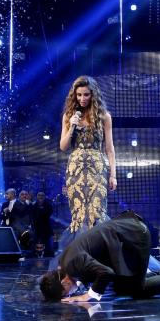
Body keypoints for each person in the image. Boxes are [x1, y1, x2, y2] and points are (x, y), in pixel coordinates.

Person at [39, 211, 160, 302]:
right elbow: (91, 267)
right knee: (122, 289)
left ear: (64, 282)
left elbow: (106, 273)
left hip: (132, 236)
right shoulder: (66, 264)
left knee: (136, 290)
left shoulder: (72, 264)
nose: (70, 295)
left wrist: (88, 295)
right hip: (123, 239)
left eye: (66, 294)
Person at [59, 76, 117, 233]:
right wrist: (72, 126)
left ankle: (99, 251)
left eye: (86, 94)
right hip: (75, 169)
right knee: (78, 213)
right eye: (79, 95)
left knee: (97, 211)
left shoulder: (104, 116)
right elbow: (63, 147)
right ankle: (80, 253)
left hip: (97, 167)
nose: (82, 98)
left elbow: (110, 149)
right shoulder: (68, 116)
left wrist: (113, 175)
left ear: (93, 95)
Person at [32, 191, 54, 257]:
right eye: (39, 195)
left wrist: (40, 209)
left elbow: (46, 215)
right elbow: (32, 216)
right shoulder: (33, 205)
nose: (40, 197)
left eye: (42, 195)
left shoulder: (49, 206)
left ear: (44, 197)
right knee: (35, 246)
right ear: (36, 196)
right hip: (36, 228)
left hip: (46, 228)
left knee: (49, 248)